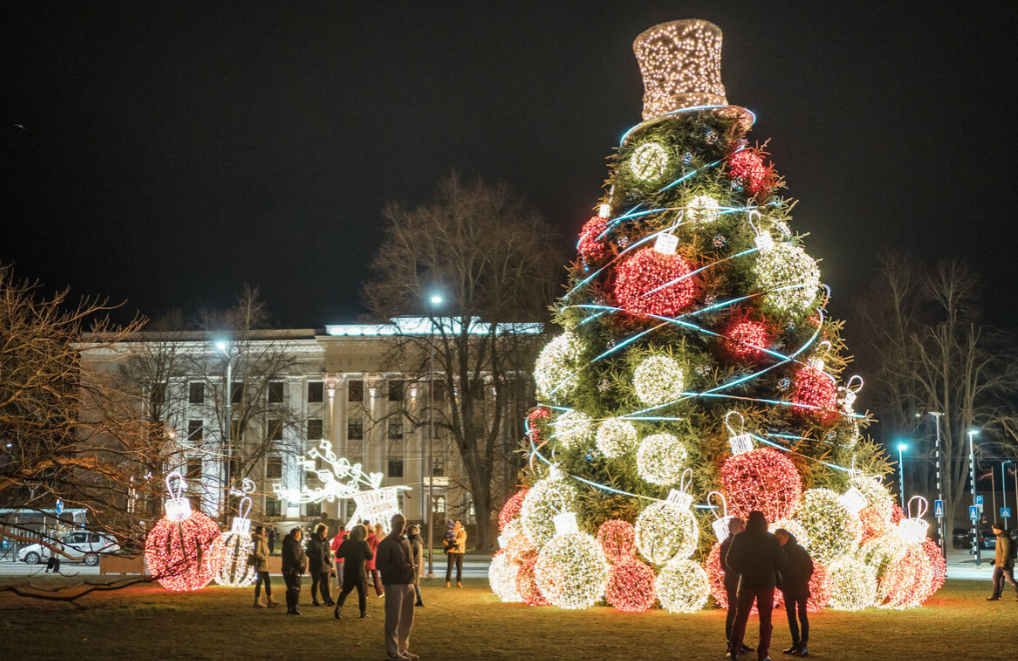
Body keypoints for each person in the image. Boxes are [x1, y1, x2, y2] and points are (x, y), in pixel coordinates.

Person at [726, 510, 788, 661]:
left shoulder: (741, 538)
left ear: (749, 521)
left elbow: (730, 560)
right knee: (766, 620)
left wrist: (741, 570)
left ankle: (734, 651)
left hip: (747, 581)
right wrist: (772, 568)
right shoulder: (771, 539)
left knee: (741, 617)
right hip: (766, 582)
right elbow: (782, 562)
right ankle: (763, 654)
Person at [376, 513, 418, 661]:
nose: (401, 526)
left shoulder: (405, 542)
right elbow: (379, 565)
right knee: (393, 619)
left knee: (407, 619)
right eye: (399, 523)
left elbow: (409, 560)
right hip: (394, 583)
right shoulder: (386, 543)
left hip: (407, 582)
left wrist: (410, 569)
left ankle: (402, 648)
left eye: (403, 523)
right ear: (393, 524)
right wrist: (399, 566)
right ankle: (393, 652)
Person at [775, 528, 814, 657]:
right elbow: (776, 569)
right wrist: (780, 584)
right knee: (791, 616)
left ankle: (803, 644)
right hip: (788, 588)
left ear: (787, 537)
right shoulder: (779, 552)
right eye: (778, 539)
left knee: (802, 615)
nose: (779, 541)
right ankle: (796, 642)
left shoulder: (799, 550)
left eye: (781, 538)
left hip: (800, 587)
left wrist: (803, 580)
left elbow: (809, 567)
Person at [720, 517, 752, 657]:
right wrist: (738, 573)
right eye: (741, 526)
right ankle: (731, 642)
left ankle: (738, 641)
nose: (743, 529)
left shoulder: (742, 542)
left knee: (740, 612)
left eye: (744, 526)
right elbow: (725, 564)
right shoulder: (728, 543)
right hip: (733, 582)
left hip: (741, 580)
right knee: (733, 610)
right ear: (734, 527)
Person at [334, 524, 374, 620]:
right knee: (362, 592)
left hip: (348, 570)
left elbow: (339, 554)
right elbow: (370, 557)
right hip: (359, 570)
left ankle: (338, 608)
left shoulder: (346, 543)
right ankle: (362, 612)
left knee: (345, 591)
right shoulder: (363, 544)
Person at [986, 521, 1017, 602]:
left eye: (994, 529)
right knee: (996, 578)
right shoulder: (1000, 537)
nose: (993, 530)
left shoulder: (1004, 538)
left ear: (998, 529)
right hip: (999, 563)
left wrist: (1003, 562)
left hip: (1005, 564)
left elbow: (1006, 552)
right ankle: (995, 595)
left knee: (1010, 580)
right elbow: (1000, 552)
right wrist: (995, 560)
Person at [307, 523, 335, 607]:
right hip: (316, 566)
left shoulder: (326, 541)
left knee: (326, 583)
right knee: (315, 582)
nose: (326, 534)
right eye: (325, 532)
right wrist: (315, 558)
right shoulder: (313, 541)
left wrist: (330, 564)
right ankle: (315, 600)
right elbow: (308, 552)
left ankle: (328, 599)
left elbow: (328, 553)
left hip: (325, 565)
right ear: (320, 532)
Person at [281, 527, 307, 615]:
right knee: (294, 589)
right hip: (292, 570)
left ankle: (291, 607)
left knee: (292, 589)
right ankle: (293, 607)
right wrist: (300, 564)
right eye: (299, 534)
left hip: (293, 570)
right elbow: (293, 556)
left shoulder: (293, 543)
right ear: (296, 535)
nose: (300, 536)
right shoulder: (290, 543)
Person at [251, 525, 278, 608]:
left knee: (267, 582)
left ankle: (270, 599)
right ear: (259, 532)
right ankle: (257, 600)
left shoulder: (263, 540)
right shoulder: (259, 540)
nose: (264, 532)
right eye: (263, 531)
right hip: (261, 565)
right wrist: (263, 558)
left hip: (264, 565)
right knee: (259, 583)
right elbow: (257, 553)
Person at [406, 524, 425, 606]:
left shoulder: (412, 542)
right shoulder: (419, 541)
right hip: (417, 563)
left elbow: (409, 554)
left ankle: (414, 600)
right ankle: (419, 599)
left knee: (412, 583)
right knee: (416, 583)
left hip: (413, 564)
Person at [445, 519, 466, 588]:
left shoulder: (463, 532)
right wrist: (448, 544)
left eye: (458, 523)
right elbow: (444, 540)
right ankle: (448, 582)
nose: (457, 525)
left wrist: (454, 541)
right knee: (449, 568)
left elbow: (462, 539)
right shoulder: (450, 532)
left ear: (460, 525)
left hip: (460, 551)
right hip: (451, 551)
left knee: (459, 568)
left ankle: (458, 582)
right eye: (456, 523)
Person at [366, 522, 384, 597]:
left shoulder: (364, 537)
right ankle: (379, 592)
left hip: (365, 559)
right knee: (375, 577)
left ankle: (365, 594)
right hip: (372, 559)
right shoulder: (374, 537)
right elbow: (379, 545)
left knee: (365, 578)